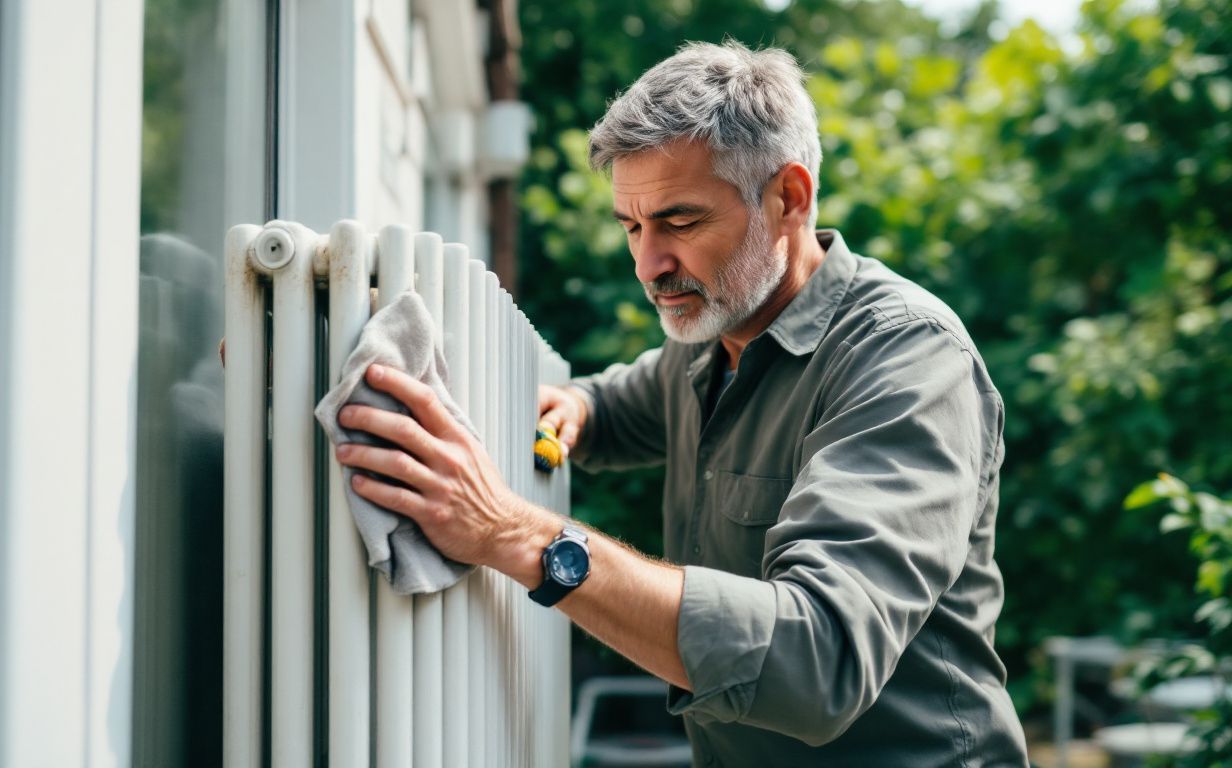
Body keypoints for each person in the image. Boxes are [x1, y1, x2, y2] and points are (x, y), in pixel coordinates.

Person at [333, 40, 1030, 765]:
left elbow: (814, 661)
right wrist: (569, 403)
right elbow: (610, 406)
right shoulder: (713, 337)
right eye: (632, 227)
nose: (648, 265)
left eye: (680, 222)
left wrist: (517, 535)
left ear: (788, 198)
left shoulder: (906, 358)